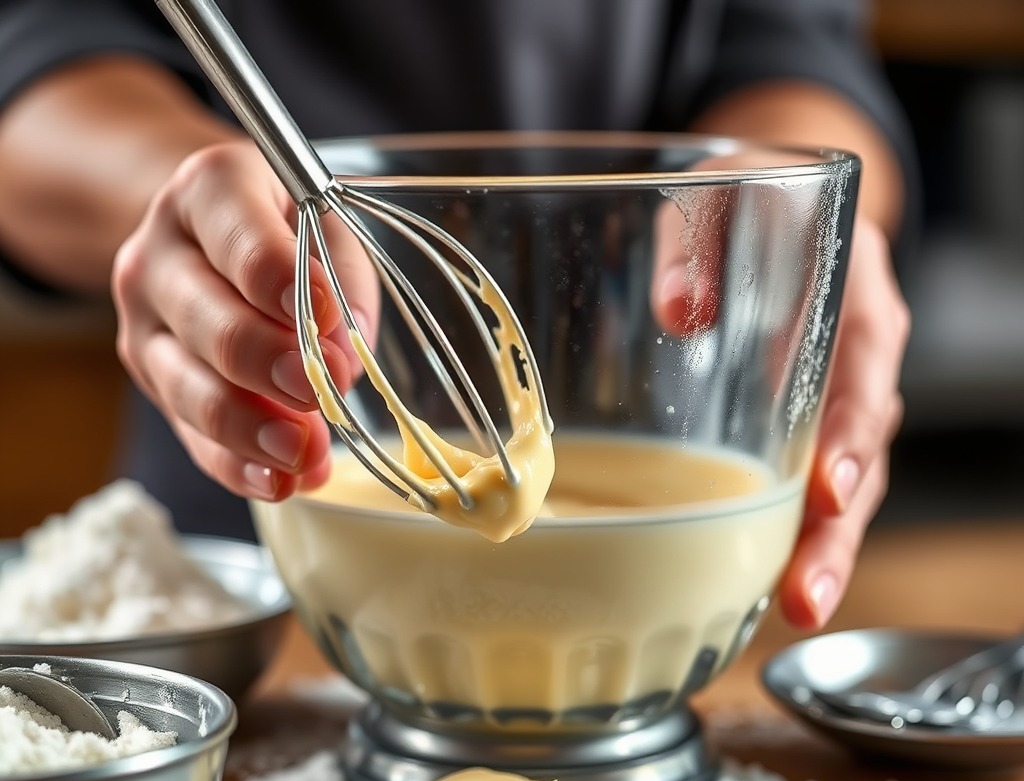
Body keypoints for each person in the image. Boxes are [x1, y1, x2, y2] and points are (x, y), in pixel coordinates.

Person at [0, 0, 913, 630]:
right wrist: (196, 197)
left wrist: (786, 226)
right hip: (263, 497)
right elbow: (37, 46)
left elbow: (793, 44)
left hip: (685, 391)